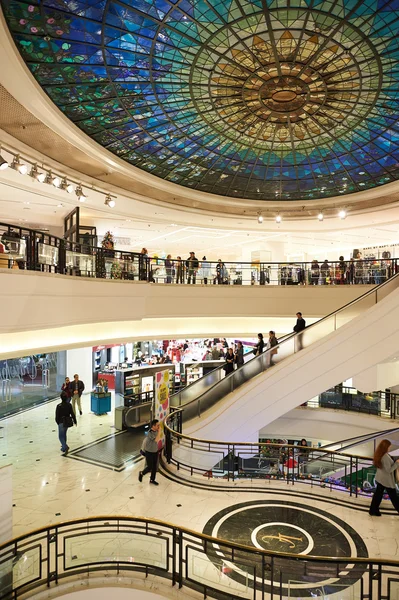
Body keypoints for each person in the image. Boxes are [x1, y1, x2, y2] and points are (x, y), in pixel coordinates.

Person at [369, 439, 399, 516]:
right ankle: (373, 510)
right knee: (394, 498)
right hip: (387, 481)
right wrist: (396, 463)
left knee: (377, 495)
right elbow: (389, 470)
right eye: (389, 447)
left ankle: (373, 510)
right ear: (386, 447)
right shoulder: (385, 456)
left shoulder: (380, 454)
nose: (389, 448)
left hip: (380, 478)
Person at [139, 419, 161, 485]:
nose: (158, 427)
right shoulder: (150, 432)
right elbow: (156, 440)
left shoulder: (156, 431)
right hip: (149, 452)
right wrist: (159, 431)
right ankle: (142, 473)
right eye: (157, 425)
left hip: (155, 451)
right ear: (153, 426)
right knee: (150, 467)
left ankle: (152, 479)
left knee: (154, 467)